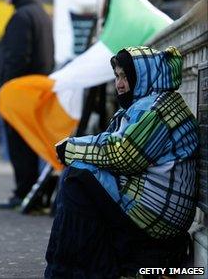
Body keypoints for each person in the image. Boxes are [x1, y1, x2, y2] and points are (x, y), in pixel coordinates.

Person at [45, 46, 199, 278]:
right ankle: (69, 270)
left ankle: (68, 272)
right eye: (117, 76)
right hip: (153, 210)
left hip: (155, 216)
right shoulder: (149, 103)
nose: (119, 84)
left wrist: (72, 148)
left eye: (125, 76)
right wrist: (75, 151)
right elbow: (112, 143)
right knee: (79, 175)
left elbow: (123, 154)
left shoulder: (157, 110)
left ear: (145, 75)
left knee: (77, 179)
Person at [0, 0, 54, 209]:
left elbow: (15, 60)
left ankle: (24, 192)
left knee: (19, 145)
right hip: (37, 90)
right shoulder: (40, 13)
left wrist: (4, 90)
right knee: (30, 143)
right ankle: (32, 191)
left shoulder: (21, 17)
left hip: (19, 93)